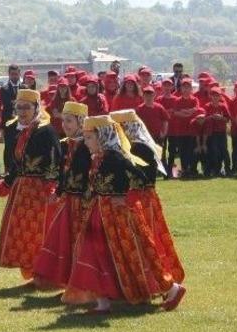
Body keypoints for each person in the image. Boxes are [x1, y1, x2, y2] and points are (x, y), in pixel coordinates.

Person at [65, 116, 185, 315]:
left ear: (102, 136)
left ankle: (171, 288)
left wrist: (126, 198)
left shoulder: (115, 157)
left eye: (89, 138)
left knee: (135, 253)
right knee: (92, 253)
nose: (86, 143)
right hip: (99, 213)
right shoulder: (99, 158)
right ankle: (102, 302)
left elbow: (142, 177)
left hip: (119, 216)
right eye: (85, 138)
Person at [0, 88, 61, 285]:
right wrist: (4, 185)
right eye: (19, 108)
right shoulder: (16, 130)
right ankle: (32, 274)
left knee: (38, 232)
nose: (22, 112)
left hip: (40, 190)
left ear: (36, 108)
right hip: (21, 191)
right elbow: (16, 164)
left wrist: (52, 187)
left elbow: (55, 160)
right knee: (22, 233)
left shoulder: (46, 131)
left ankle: (44, 275)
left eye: (26, 108)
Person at [112, 109, 187, 291]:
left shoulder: (139, 148)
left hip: (141, 199)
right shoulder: (132, 146)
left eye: (119, 128)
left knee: (149, 240)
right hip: (139, 197)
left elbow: (141, 180)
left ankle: (158, 282)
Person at [32, 101, 91, 296]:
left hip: (83, 200)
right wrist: (58, 192)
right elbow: (62, 172)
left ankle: (81, 283)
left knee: (81, 240)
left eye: (69, 121)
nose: (65, 125)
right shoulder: (66, 143)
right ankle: (66, 280)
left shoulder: (87, 145)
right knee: (64, 238)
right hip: (69, 199)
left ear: (81, 122)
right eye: (63, 120)